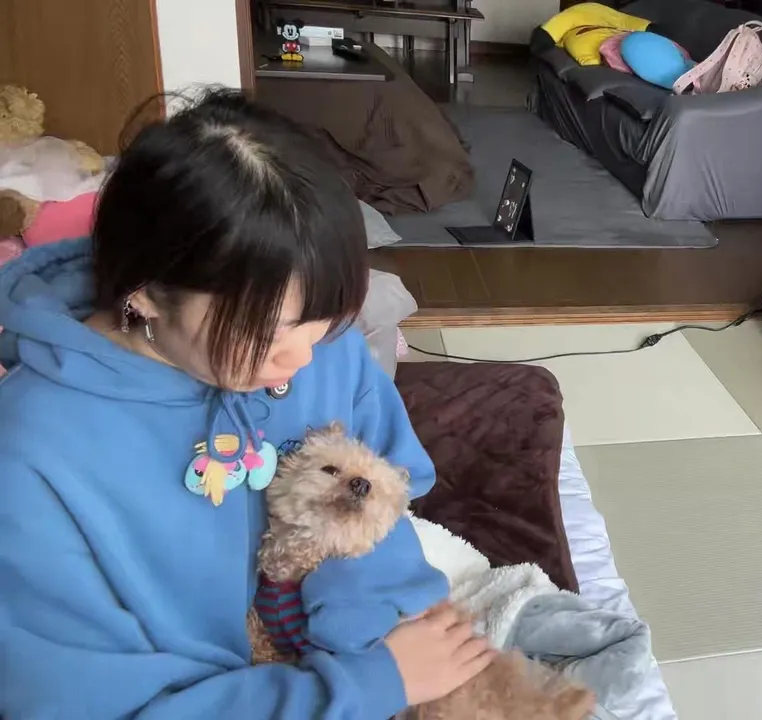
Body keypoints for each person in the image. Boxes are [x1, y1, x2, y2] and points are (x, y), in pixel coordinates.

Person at [0, 90, 494, 718]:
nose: (306, 356)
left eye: (327, 319)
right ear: (145, 291)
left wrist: (377, 633)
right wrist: (364, 688)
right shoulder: (28, 460)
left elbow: (385, 499)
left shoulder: (324, 349)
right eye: (274, 330)